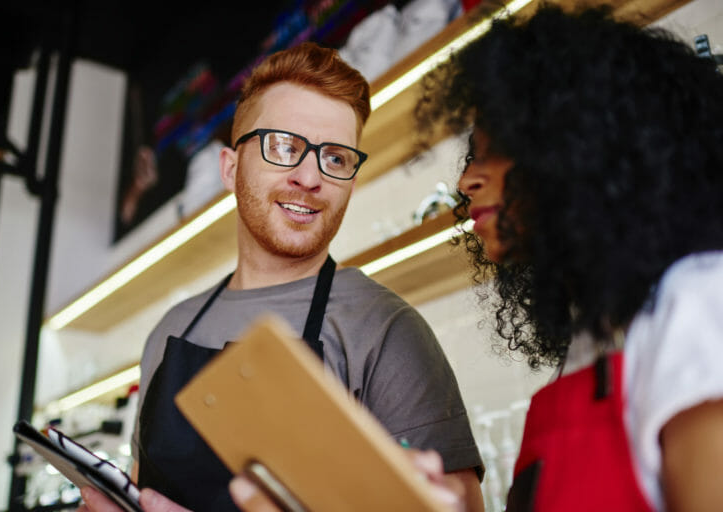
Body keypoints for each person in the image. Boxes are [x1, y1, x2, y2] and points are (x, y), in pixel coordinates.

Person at [226, 4, 723, 512]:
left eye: (494, 151)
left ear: (590, 148)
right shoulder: (589, 346)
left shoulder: (700, 306)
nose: (467, 181)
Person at [79, 41, 484, 511]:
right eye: (284, 147)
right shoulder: (170, 331)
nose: (310, 178)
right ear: (231, 169)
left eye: (335, 158)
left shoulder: (385, 331)